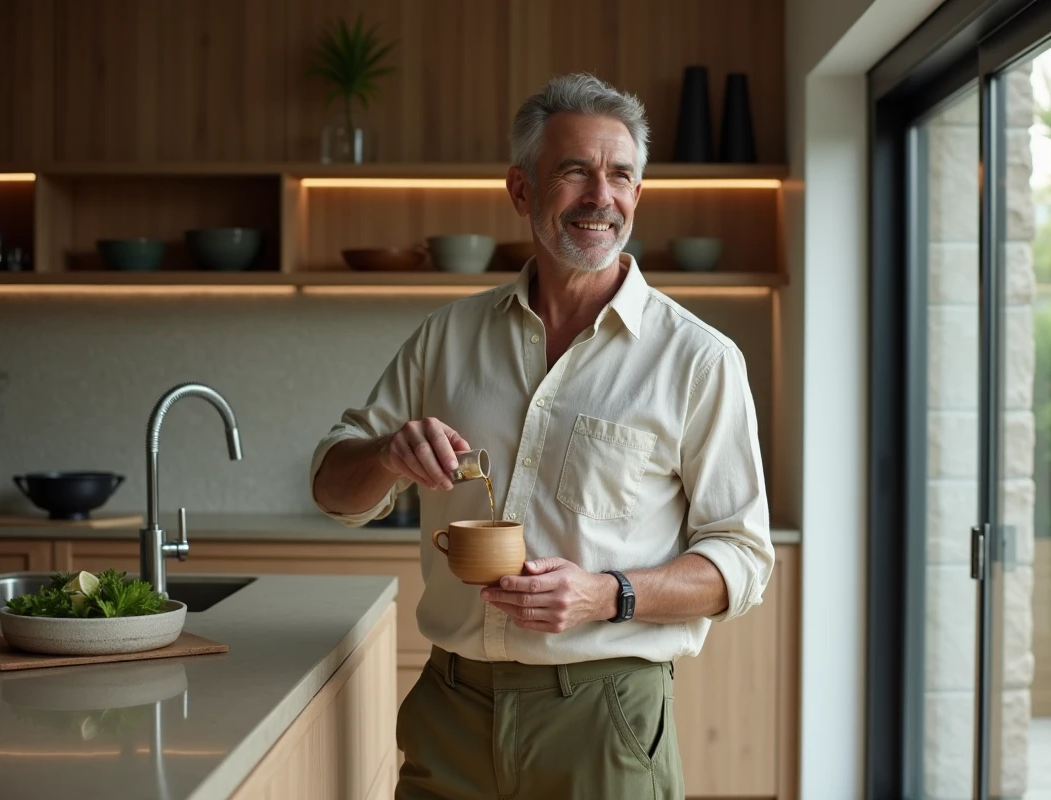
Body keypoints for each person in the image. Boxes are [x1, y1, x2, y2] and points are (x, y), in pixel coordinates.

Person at [309, 73, 773, 800]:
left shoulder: (698, 359)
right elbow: (336, 493)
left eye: (621, 175)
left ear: (638, 194)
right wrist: (386, 453)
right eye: (574, 171)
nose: (601, 195)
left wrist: (606, 595)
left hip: (605, 715)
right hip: (451, 706)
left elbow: (741, 559)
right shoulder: (446, 338)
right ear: (522, 191)